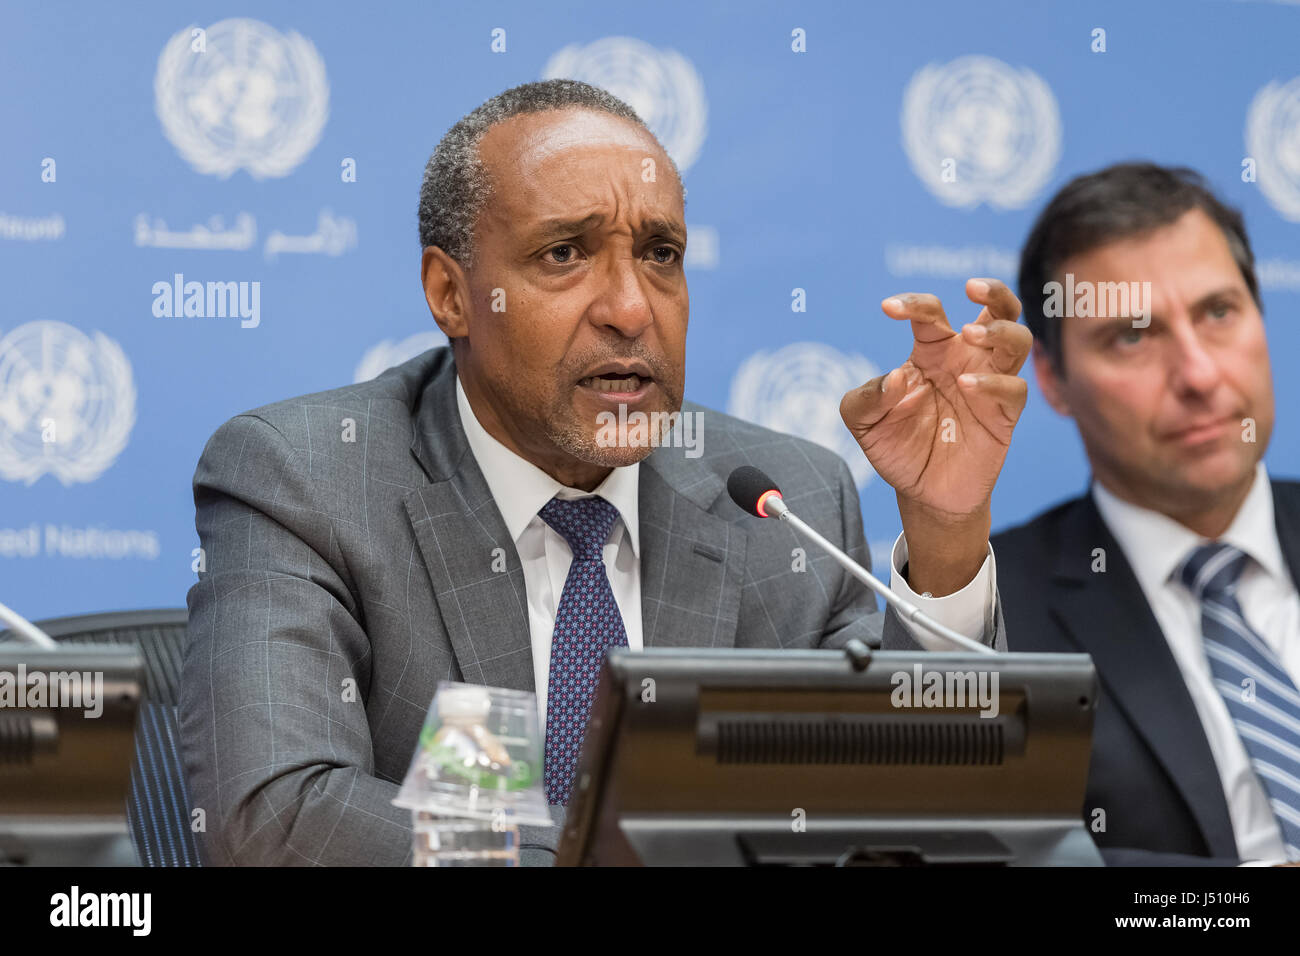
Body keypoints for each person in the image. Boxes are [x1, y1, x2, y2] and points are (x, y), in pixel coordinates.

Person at [179, 79, 1030, 866]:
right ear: (451, 293)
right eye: (563, 254)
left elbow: (911, 816)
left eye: (661, 253)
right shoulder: (309, 479)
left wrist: (945, 532)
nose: (630, 309)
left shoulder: (784, 499)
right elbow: (277, 812)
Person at [988, 163, 1295, 864]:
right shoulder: (993, 611)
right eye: (1133, 336)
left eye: (1218, 312)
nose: (1199, 375)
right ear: (1053, 380)